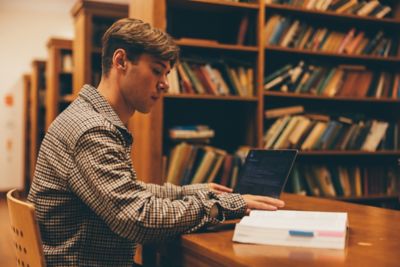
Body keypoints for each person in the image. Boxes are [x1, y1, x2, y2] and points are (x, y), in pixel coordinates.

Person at [28, 18, 285, 267]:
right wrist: (226, 205)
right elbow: (138, 218)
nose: (165, 84)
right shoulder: (92, 130)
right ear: (121, 61)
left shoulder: (86, 117)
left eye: (167, 73)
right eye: (156, 71)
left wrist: (195, 191)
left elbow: (130, 192)